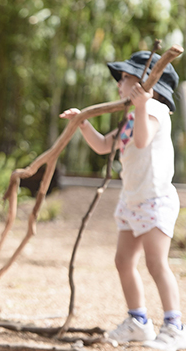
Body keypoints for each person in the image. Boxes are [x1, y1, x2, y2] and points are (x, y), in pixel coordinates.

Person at [60, 51, 186, 350]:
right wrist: (83, 123)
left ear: (147, 84)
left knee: (156, 263)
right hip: (132, 201)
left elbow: (143, 140)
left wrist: (141, 107)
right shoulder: (132, 116)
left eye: (127, 78)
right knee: (123, 261)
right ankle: (138, 321)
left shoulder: (153, 110)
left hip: (154, 200)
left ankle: (174, 326)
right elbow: (105, 145)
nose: (120, 84)